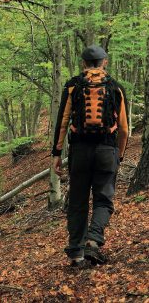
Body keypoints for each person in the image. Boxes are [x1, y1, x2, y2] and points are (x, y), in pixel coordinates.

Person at [52, 45, 129, 267]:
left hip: (79, 152)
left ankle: (76, 254)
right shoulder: (115, 87)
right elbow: (124, 128)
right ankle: (94, 241)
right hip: (107, 151)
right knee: (103, 199)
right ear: (104, 62)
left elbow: (63, 122)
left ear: (84, 63)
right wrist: (120, 154)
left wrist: (56, 154)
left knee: (77, 202)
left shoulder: (73, 86)